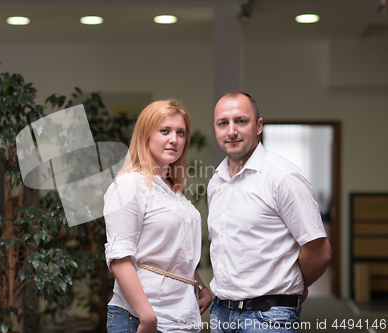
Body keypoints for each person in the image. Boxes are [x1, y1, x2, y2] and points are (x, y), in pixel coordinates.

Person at [207, 91, 332, 333]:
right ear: (215, 129)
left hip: (269, 317)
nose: (231, 130)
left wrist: (295, 285)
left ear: (258, 126)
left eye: (241, 121)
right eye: (223, 123)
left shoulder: (283, 177)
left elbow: (319, 251)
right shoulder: (216, 182)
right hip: (221, 313)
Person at [103, 99, 212, 333]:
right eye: (165, 131)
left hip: (181, 319)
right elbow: (120, 258)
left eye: (180, 132)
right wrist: (147, 318)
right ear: (145, 135)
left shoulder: (174, 191)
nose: (174, 139)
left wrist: (200, 286)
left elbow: (170, 249)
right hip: (140, 319)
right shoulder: (129, 185)